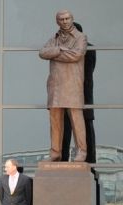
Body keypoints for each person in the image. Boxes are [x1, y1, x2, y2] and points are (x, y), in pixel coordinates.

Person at [39, 10, 88, 162]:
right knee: (55, 120)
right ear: (57, 22)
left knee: (76, 119)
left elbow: (76, 55)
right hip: (56, 86)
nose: (65, 21)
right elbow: (42, 53)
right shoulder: (55, 38)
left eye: (67, 18)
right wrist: (60, 49)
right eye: (61, 19)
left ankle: (82, 150)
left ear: (72, 19)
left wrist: (55, 54)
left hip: (72, 84)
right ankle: (55, 152)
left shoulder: (81, 37)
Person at [61, 22, 97, 163]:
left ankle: (90, 164)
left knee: (86, 130)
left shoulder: (89, 49)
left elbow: (87, 74)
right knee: (64, 130)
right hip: (65, 96)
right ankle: (62, 162)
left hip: (82, 97)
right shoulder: (62, 48)